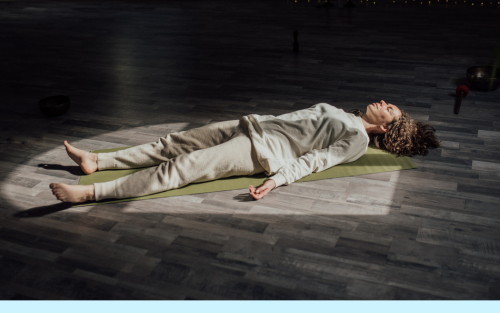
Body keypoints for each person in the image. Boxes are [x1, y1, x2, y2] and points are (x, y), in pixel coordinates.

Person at [50, 100, 439, 203]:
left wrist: (276, 181)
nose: (384, 101)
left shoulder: (355, 139)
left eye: (390, 108)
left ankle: (91, 192)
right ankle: (97, 161)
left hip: (258, 151)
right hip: (250, 126)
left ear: (387, 127)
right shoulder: (346, 114)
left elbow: (316, 161)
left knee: (180, 168)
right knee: (171, 143)